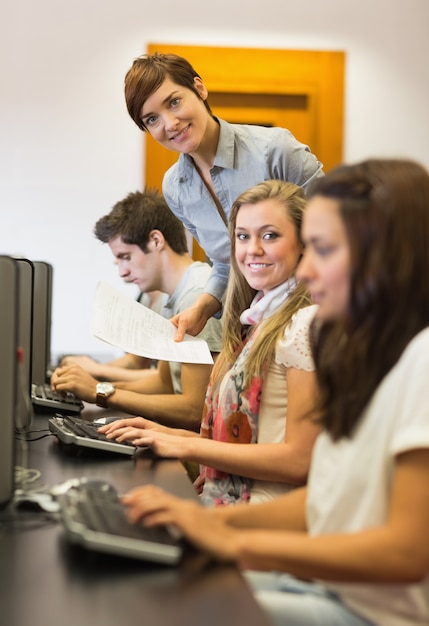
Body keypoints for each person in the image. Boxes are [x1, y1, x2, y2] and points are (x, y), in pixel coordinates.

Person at [117, 159, 429, 626]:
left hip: (367, 611)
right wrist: (209, 523)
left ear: (383, 252)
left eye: (322, 250)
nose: (305, 270)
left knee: (174, 607)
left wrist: (235, 540)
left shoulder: (420, 361)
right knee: (149, 587)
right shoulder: (368, 355)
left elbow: (406, 552)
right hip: (327, 586)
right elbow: (326, 496)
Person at [100, 180, 320, 506]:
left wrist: (186, 446)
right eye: (243, 236)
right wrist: (162, 433)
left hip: (260, 514)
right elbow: (237, 442)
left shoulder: (303, 325)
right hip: (228, 500)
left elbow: (300, 461)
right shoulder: (253, 321)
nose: (252, 249)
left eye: (270, 235)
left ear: (303, 242)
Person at [124, 52, 324, 340]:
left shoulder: (275, 150)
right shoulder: (176, 187)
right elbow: (224, 263)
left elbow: (333, 235)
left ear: (199, 88)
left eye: (174, 102)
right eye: (152, 119)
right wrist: (203, 308)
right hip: (250, 326)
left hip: (309, 317)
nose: (170, 123)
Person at [51, 189, 222, 431]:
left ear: (155, 241)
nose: (121, 271)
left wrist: (100, 391)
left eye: (125, 257)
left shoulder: (196, 295)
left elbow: (195, 411)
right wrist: (91, 387)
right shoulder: (172, 297)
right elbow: (164, 383)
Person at [59, 290, 165, 380]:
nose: (117, 265)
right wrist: (87, 369)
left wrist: (98, 371)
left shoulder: (171, 299)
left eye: (126, 263)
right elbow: (135, 361)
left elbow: (165, 380)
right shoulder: (146, 297)